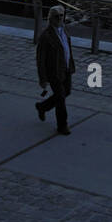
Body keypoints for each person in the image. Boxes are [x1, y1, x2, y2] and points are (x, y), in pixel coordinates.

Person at [35, 7, 75, 136]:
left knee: (66, 92)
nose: (60, 18)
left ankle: (43, 107)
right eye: (57, 16)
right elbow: (40, 59)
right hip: (54, 72)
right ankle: (62, 125)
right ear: (51, 18)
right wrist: (43, 78)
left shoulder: (64, 30)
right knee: (60, 98)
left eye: (61, 15)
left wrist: (71, 65)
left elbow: (67, 50)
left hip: (66, 68)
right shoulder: (46, 36)